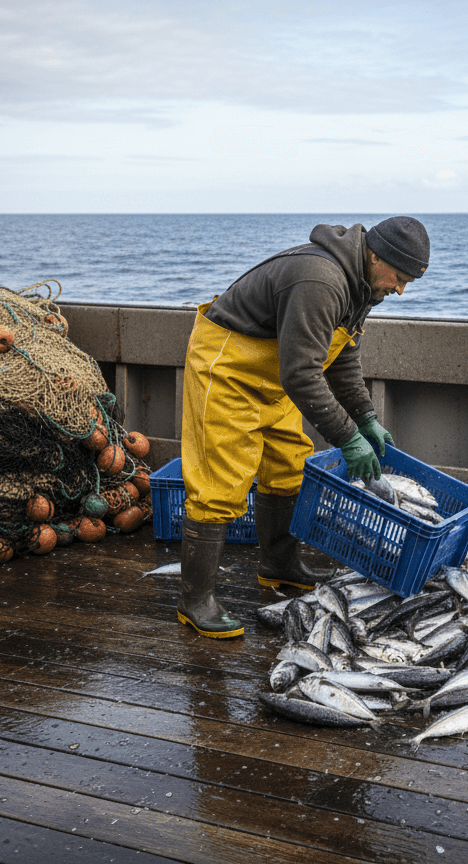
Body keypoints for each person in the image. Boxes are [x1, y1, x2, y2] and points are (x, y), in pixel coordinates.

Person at [176, 217, 431, 639]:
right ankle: (195, 600)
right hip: (228, 370)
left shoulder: (363, 287)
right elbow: (302, 375)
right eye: (399, 278)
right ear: (376, 255)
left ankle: (278, 565)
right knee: (220, 483)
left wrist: (365, 417)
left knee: (288, 463)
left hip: (274, 377)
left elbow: (341, 356)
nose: (400, 289)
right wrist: (347, 437)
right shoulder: (321, 280)